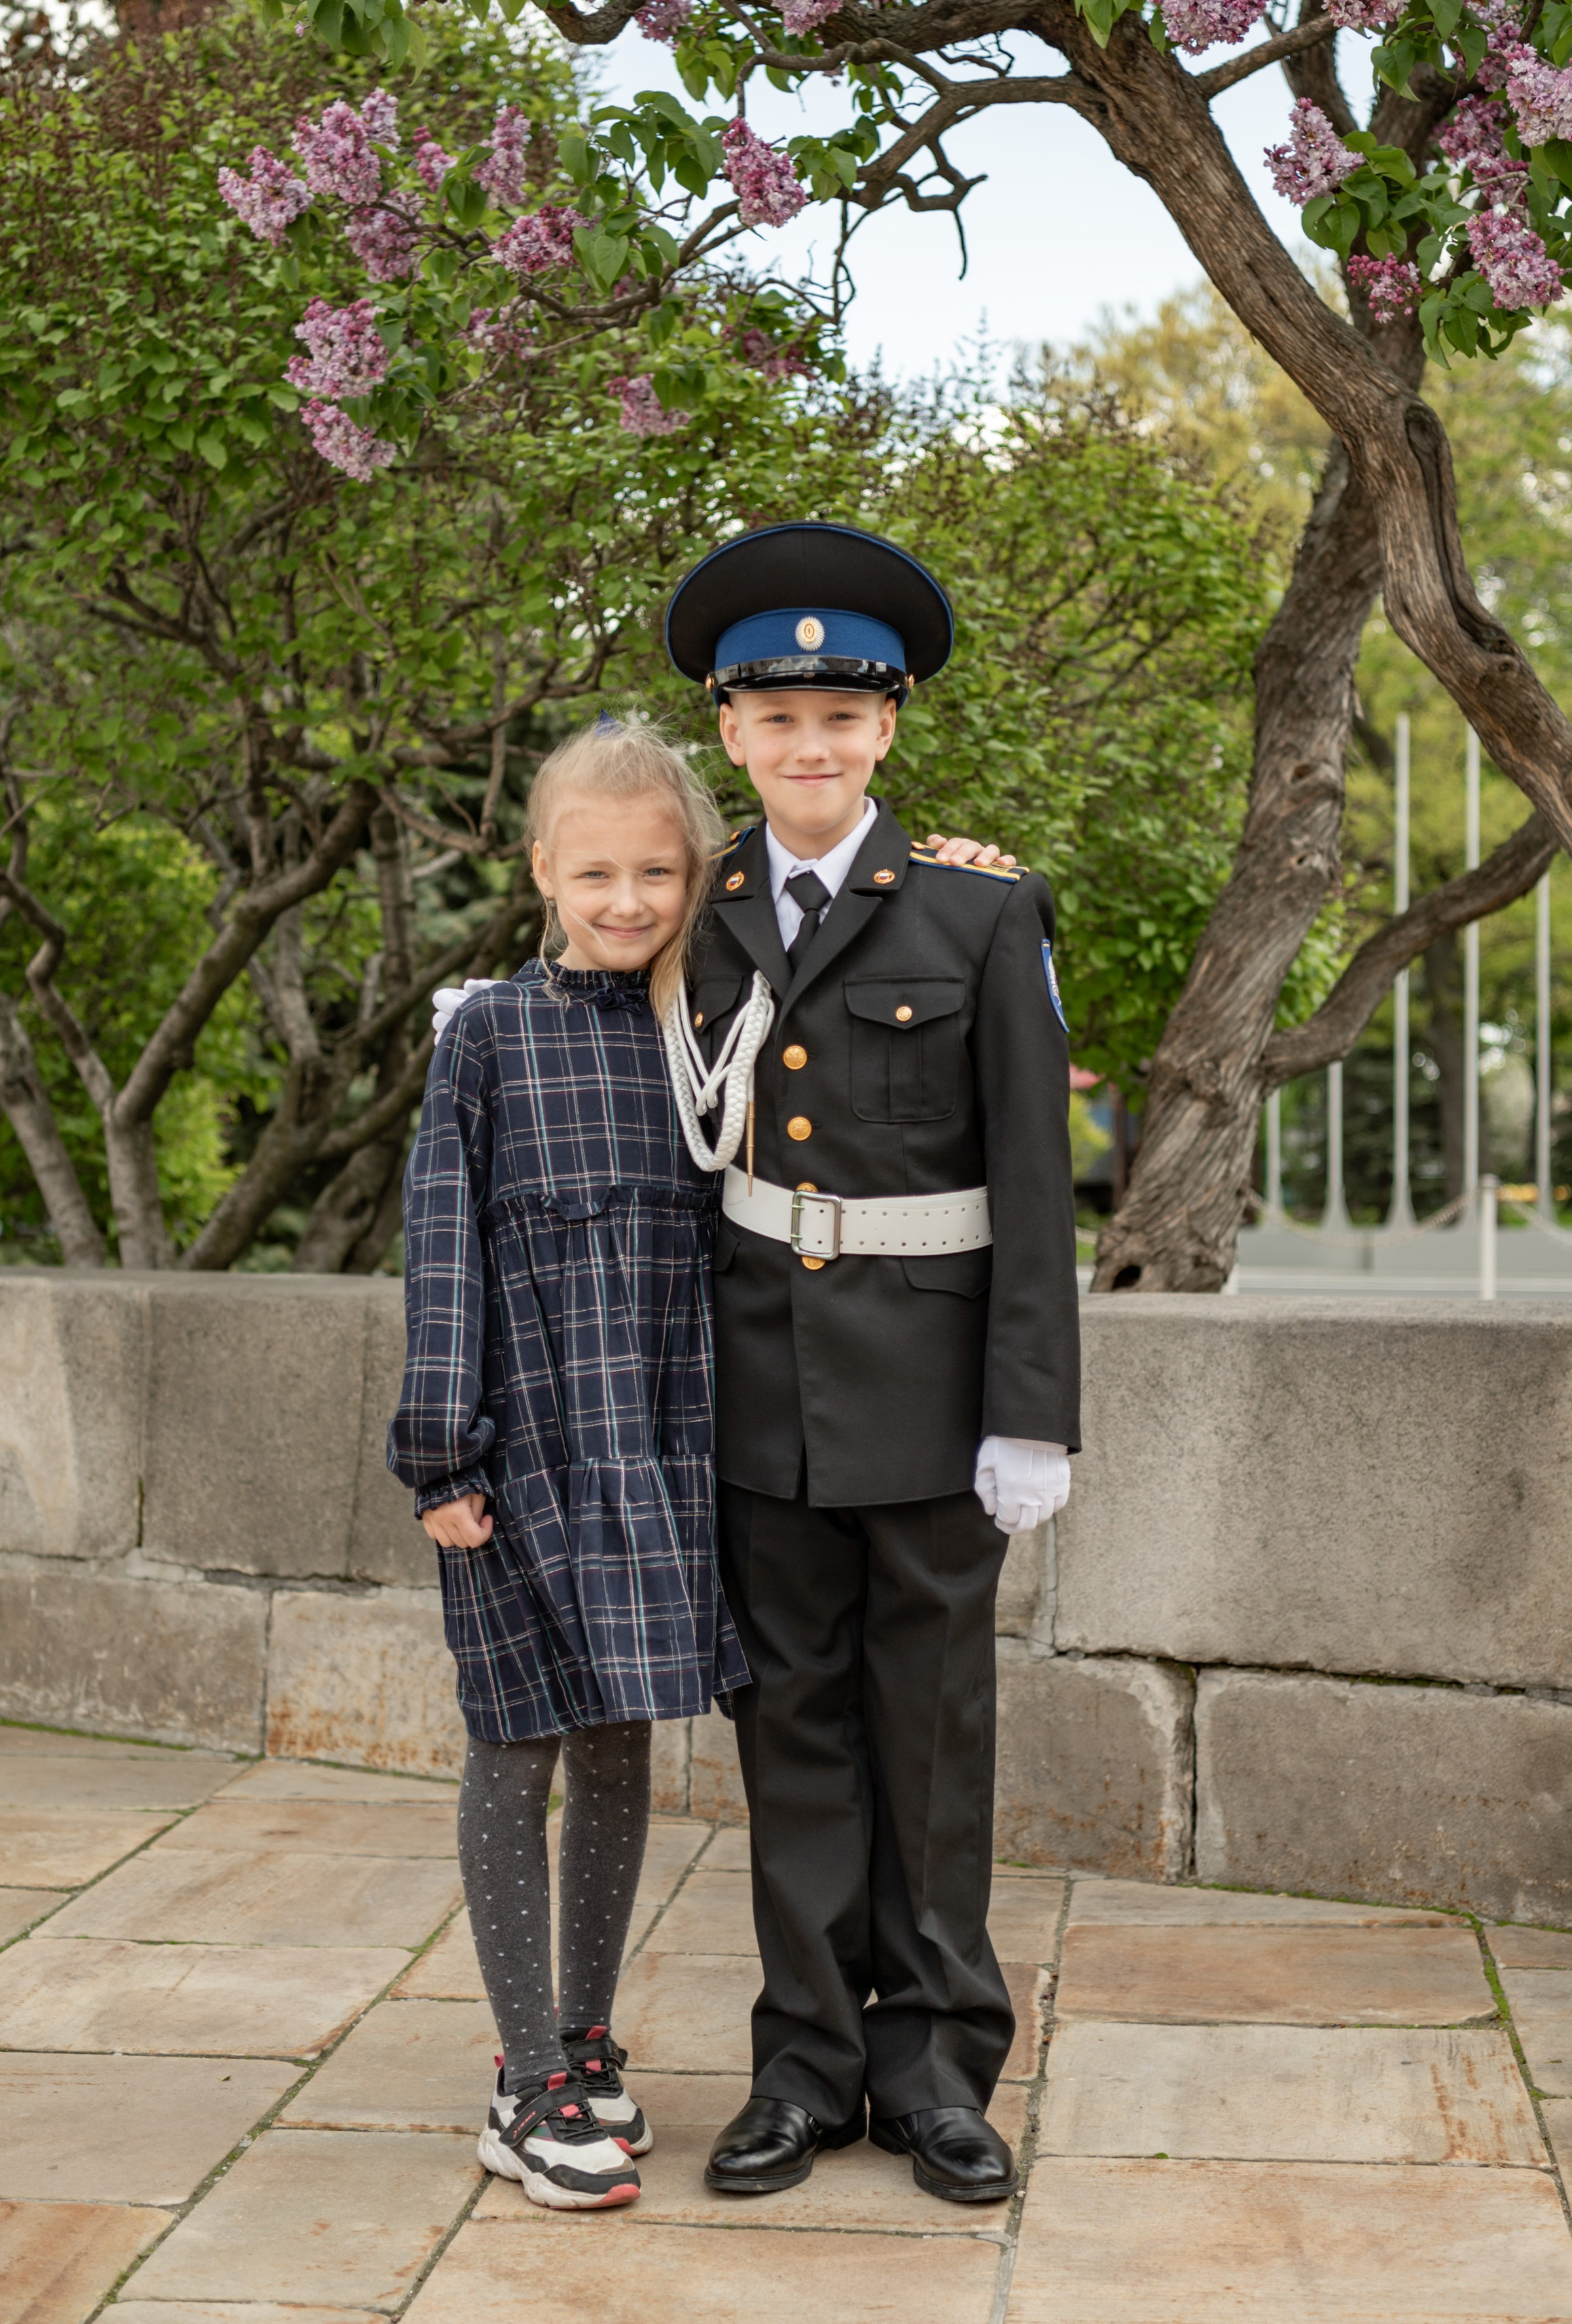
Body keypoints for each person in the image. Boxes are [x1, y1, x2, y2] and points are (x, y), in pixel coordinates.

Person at [402, 710, 1008, 2215]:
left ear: (698, 878)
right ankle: (526, 2067)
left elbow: (838, 930)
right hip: (525, 1446)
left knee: (621, 1739)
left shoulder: (703, 1005)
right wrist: (437, 1449)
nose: (625, 900)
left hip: (668, 1454)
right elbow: (440, 1256)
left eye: (656, 874)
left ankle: (586, 2038)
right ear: (541, 866)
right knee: (513, 1739)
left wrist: (957, 867)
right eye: (593, 871)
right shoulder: (486, 1034)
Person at [671, 520, 1081, 2207]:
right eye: (777, 717)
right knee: (794, 1743)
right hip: (757, 1397)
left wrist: (1030, 1419)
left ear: (888, 729)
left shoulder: (983, 913)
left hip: (928, 1404)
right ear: (730, 736)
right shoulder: (682, 919)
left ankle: (934, 2071)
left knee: (928, 1741)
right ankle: (804, 2065)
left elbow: (1038, 1185)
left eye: (843, 714)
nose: (811, 743)